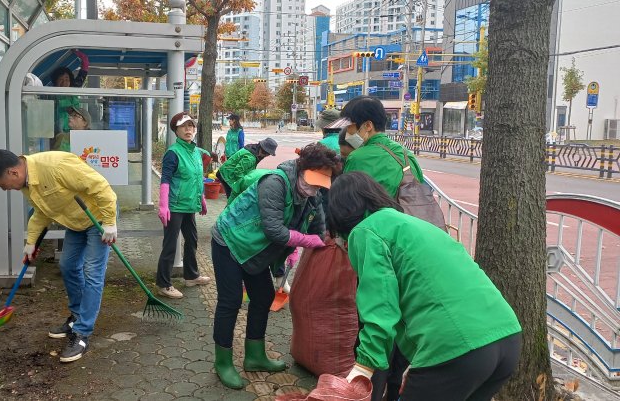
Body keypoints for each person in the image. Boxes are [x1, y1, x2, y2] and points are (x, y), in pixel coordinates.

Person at [328, 172, 522, 401]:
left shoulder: (366, 231)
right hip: (507, 339)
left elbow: (381, 308)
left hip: (456, 346)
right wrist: (421, 364)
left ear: (340, 213)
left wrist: (361, 371)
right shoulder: (413, 224)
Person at [211, 143, 340, 389]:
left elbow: (318, 227)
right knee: (230, 301)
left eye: (321, 184)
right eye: (313, 181)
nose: (314, 190)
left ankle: (255, 355)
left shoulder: (312, 194)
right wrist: (305, 242)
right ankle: (223, 362)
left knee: (263, 297)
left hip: (256, 250)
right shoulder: (275, 183)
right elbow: (273, 230)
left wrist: (314, 242)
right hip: (230, 242)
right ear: (303, 168)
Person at [0, 149, 117, 364]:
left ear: (12, 172)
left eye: (0, 184)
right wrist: (31, 243)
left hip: (97, 219)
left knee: (92, 273)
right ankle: (76, 317)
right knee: (68, 266)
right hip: (75, 222)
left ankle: (82, 333)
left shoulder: (56, 166)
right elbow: (42, 212)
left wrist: (109, 222)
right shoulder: (27, 183)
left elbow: (101, 187)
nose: (2, 188)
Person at [338, 95, 427, 400]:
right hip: (412, 251)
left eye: (351, 127)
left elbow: (350, 209)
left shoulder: (360, 160)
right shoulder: (406, 155)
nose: (348, 133)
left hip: (379, 250)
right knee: (402, 325)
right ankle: (393, 392)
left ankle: (368, 390)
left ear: (367, 126)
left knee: (375, 322)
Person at [157, 112, 212, 299]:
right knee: (170, 245)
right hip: (174, 206)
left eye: (191, 126)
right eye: (184, 127)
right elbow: (165, 180)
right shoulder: (173, 153)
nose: (189, 130)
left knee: (192, 240)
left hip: (190, 205)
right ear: (176, 130)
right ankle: (164, 284)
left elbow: (197, 179)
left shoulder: (196, 152)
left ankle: (191, 276)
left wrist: (201, 199)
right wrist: (163, 206)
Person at [51, 49, 90, 134]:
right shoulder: (50, 93)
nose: (64, 82)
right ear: (55, 81)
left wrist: (75, 51)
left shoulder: (74, 87)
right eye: (60, 79)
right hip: (56, 131)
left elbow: (85, 63)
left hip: (75, 129)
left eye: (66, 79)